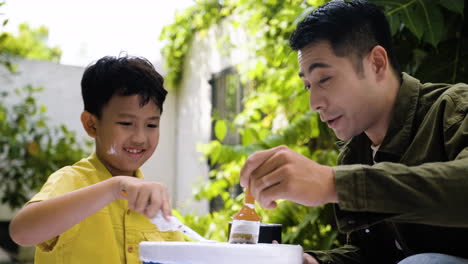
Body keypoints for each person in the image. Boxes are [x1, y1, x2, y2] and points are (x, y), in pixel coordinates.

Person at [239, 1, 468, 263]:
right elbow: (373, 255)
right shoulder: (356, 152)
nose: (314, 103)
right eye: (307, 86)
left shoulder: (454, 109)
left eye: (325, 79)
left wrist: (333, 184)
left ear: (377, 63)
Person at [9, 55, 184, 263]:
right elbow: (22, 232)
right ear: (91, 124)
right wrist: (114, 188)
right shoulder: (71, 181)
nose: (140, 138)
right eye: (127, 123)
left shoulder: (156, 207)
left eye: (151, 125)